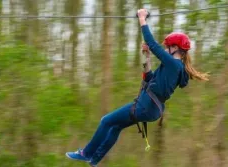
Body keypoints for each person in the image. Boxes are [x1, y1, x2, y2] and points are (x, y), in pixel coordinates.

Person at [65, 9, 209, 167]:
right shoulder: (174, 68)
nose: (165, 49)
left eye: (167, 46)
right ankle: (95, 160)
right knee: (116, 126)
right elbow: (149, 78)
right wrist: (146, 58)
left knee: (106, 121)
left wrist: (142, 19)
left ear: (174, 48)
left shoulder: (173, 64)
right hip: (152, 109)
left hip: (146, 107)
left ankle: (86, 153)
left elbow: (152, 43)